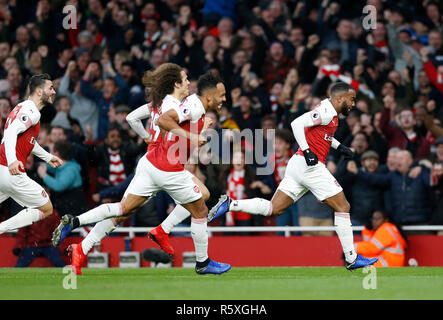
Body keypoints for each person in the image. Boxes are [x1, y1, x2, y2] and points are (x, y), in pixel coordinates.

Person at [209, 82, 378, 270]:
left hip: (297, 165)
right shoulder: (326, 111)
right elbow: (296, 123)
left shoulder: (329, 112)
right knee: (343, 206)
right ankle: (351, 257)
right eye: (351, 99)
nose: (353, 104)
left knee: (275, 208)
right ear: (339, 98)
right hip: (309, 166)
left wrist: (341, 148)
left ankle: (230, 204)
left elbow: (322, 136)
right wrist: (307, 152)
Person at [0, 74, 64, 234]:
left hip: (2, 170)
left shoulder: (22, 107)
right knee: (46, 208)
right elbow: (10, 133)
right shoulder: (31, 111)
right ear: (39, 91)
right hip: (11, 171)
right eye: (50, 88)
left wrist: (48, 157)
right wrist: (13, 160)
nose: (54, 92)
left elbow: (29, 141)